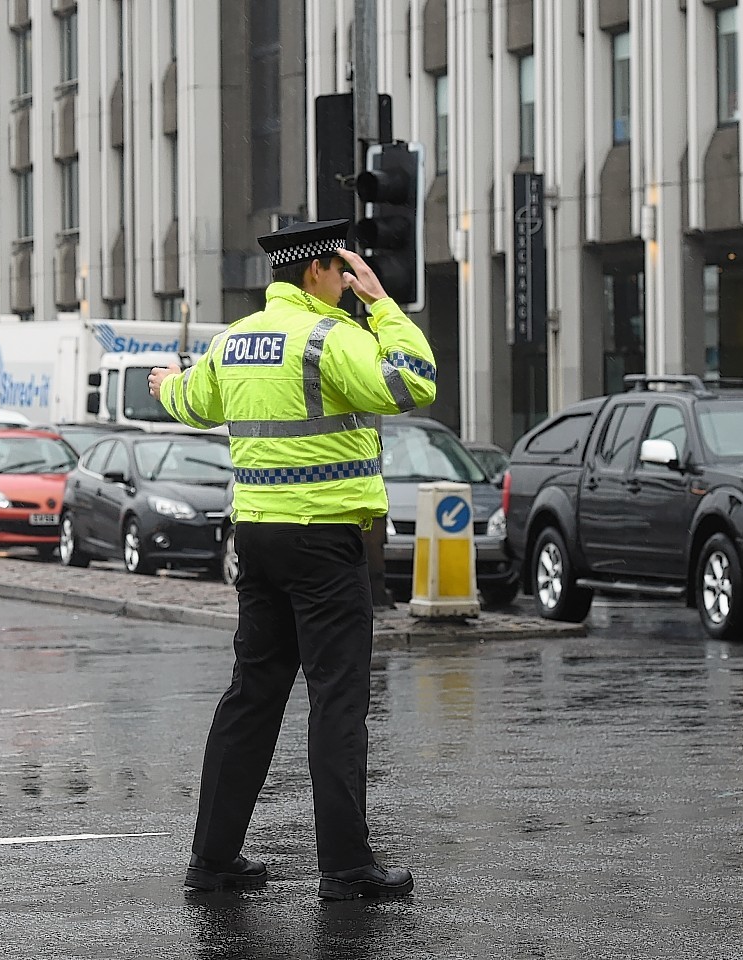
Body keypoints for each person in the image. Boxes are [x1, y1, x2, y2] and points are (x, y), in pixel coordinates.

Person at [149, 219, 435, 901]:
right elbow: (412, 384)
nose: (348, 282)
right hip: (325, 542)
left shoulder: (234, 339)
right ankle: (345, 868)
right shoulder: (329, 338)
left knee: (252, 695)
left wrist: (166, 384)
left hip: (257, 539)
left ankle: (212, 862)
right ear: (315, 272)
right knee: (337, 700)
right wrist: (384, 305)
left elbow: (192, 401)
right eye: (343, 271)